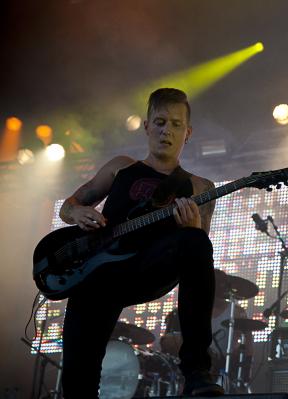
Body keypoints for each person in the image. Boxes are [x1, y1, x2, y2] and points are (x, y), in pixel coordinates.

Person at [58, 88, 224, 397]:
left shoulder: (200, 187)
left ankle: (197, 371)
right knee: (77, 383)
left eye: (176, 124)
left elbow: (199, 257)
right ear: (147, 126)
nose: (166, 130)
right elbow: (67, 206)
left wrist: (195, 228)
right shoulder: (120, 167)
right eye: (160, 122)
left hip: (149, 266)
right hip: (98, 273)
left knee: (195, 242)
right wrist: (77, 211)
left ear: (187, 133)